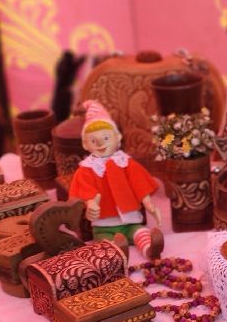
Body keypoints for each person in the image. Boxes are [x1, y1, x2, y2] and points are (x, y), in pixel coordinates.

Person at [67, 99, 164, 260]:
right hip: (104, 224)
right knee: (105, 242)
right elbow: (85, 189)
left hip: (130, 221)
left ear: (117, 137)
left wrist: (148, 204)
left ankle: (149, 249)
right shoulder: (87, 169)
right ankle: (117, 252)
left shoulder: (125, 162)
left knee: (140, 232)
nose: (100, 143)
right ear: (85, 144)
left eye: (106, 138)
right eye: (93, 140)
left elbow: (138, 182)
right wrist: (91, 204)